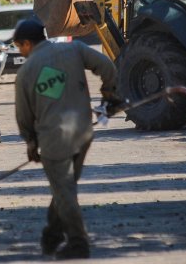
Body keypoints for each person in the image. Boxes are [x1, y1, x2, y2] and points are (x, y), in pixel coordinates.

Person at [13, 19, 119, 259]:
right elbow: (108, 68)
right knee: (64, 189)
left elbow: (24, 116)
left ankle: (78, 242)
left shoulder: (26, 72)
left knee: (64, 191)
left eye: (20, 46)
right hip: (83, 132)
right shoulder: (74, 49)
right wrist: (110, 96)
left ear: (28, 43)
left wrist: (30, 141)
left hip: (54, 141)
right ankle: (52, 234)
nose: (20, 51)